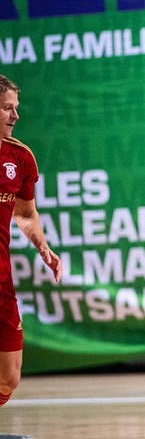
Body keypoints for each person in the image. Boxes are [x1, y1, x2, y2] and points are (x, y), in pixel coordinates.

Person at [0, 75, 62, 408]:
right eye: (7, 108)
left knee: (9, 377)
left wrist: (42, 246)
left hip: (1, 279)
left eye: (16, 107)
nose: (16, 115)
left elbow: (24, 213)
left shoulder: (19, 157)